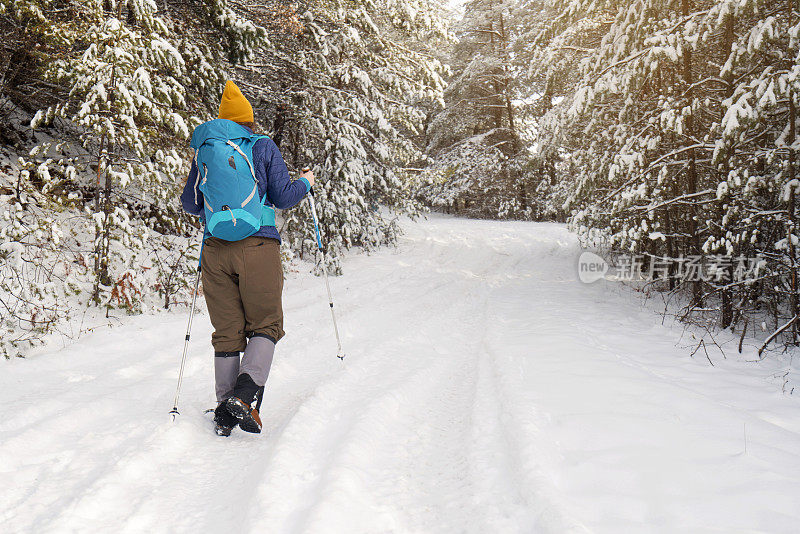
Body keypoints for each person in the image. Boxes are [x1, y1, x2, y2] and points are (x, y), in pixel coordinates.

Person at [180, 80, 314, 436]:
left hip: (214, 251)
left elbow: (191, 204)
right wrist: (306, 183)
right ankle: (243, 396)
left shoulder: (205, 149)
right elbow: (284, 197)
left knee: (226, 332)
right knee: (266, 325)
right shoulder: (262, 145)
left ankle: (224, 412)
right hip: (258, 248)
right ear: (249, 120)